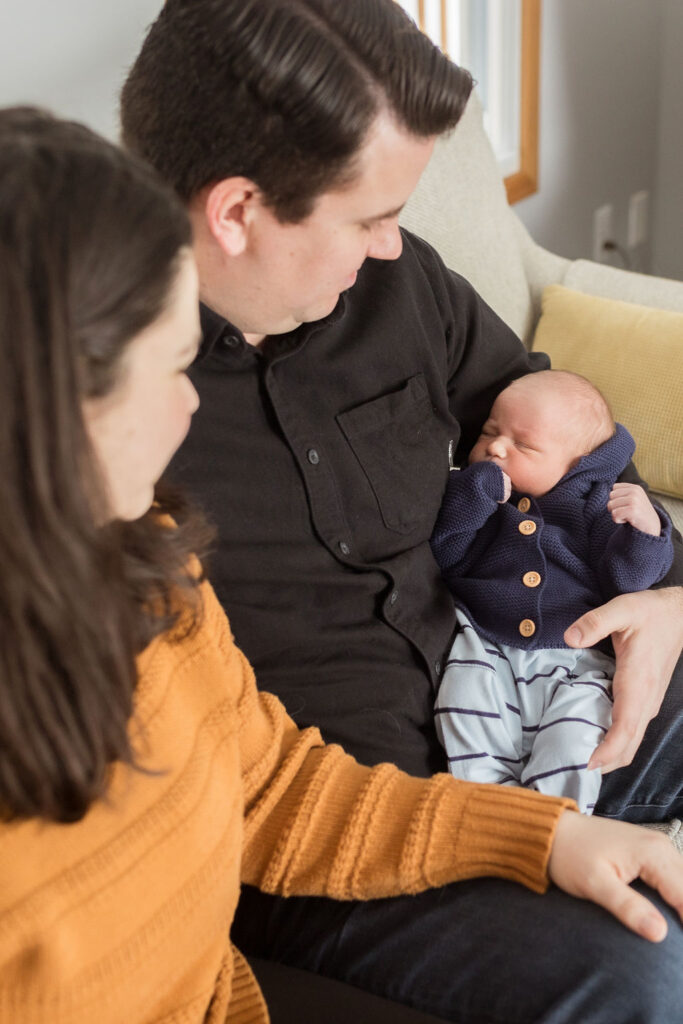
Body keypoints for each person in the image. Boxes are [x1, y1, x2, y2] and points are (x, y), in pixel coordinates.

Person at [4, 105, 683, 1024]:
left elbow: (271, 786)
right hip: (379, 802)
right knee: (644, 968)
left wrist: (664, 598)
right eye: (169, 371)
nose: (393, 245)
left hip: (515, 695)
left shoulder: (156, 577)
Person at [431, 371, 674, 812]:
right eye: (489, 432)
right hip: (485, 648)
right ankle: (484, 812)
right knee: (463, 707)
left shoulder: (594, 505)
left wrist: (645, 530)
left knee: (577, 737)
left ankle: (550, 822)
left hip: (575, 662)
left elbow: (630, 583)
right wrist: (473, 495)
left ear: (577, 464)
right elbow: (446, 552)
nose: (496, 447)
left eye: (523, 446)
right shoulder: (477, 497)